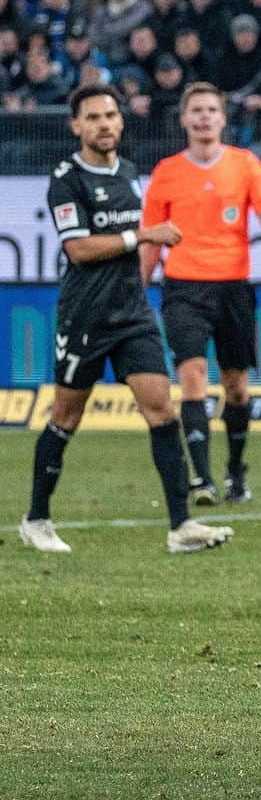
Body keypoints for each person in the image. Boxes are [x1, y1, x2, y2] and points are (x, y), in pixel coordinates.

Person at [21, 85, 232, 557]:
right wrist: (142, 235)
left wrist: (140, 243)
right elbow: (77, 249)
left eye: (111, 115)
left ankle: (181, 526)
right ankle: (36, 518)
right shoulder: (66, 179)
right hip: (85, 318)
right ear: (76, 126)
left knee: (161, 410)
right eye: (93, 117)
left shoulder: (129, 173)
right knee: (65, 417)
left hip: (132, 314)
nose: (105, 124)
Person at [140, 81, 261, 506]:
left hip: (233, 288)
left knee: (236, 386)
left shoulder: (246, 166)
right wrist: (137, 287)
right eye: (197, 110)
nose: (205, 116)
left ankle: (235, 472)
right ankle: (203, 479)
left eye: (212, 109)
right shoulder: (167, 172)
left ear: (223, 118)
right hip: (183, 288)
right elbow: (152, 240)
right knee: (191, 375)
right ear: (184, 119)